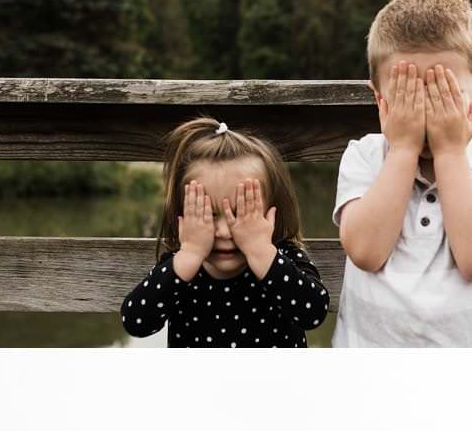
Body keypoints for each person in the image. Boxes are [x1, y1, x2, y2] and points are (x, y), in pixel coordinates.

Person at [332, 0, 472, 347]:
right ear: (380, 100)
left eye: (442, 95)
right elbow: (365, 251)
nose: (425, 114)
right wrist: (402, 149)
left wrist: (450, 153)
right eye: (408, 97)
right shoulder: (364, 157)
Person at [121, 118, 330, 345]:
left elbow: (313, 313)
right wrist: (189, 255)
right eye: (208, 215)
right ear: (182, 215)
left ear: (272, 213)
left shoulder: (283, 256)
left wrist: (261, 252)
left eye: (241, 213)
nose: (223, 231)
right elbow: (136, 322)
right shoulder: (179, 265)